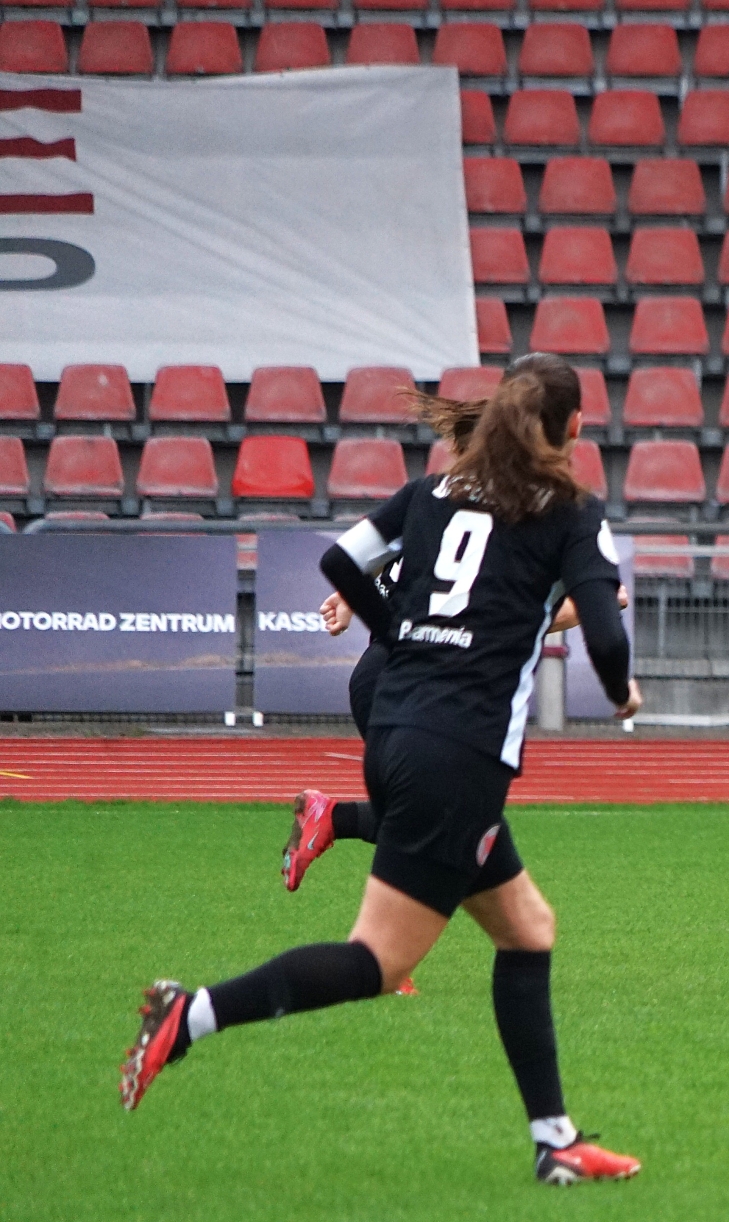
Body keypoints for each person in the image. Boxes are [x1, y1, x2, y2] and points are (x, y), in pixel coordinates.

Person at [121, 356, 647, 1186]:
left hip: (399, 731)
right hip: (460, 757)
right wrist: (622, 696)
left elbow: (340, 560)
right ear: (575, 426)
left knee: (527, 928)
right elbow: (608, 635)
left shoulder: (431, 492)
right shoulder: (571, 510)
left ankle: (556, 1140)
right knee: (378, 962)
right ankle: (190, 1015)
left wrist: (396, 630)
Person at [284, 392, 627, 895]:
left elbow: (368, 562)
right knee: (444, 829)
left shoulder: (437, 506)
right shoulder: (504, 525)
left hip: (400, 679)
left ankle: (333, 822)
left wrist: (355, 601)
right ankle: (350, 859)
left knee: (450, 828)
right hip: (416, 687)